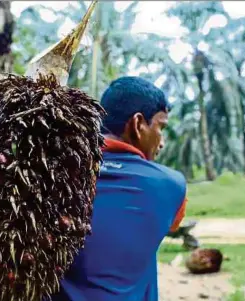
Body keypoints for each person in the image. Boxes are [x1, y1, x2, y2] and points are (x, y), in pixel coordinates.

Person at [51, 76, 188, 301]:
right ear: (137, 124)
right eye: (160, 127)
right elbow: (172, 226)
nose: (161, 141)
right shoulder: (172, 185)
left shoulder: (53, 176)